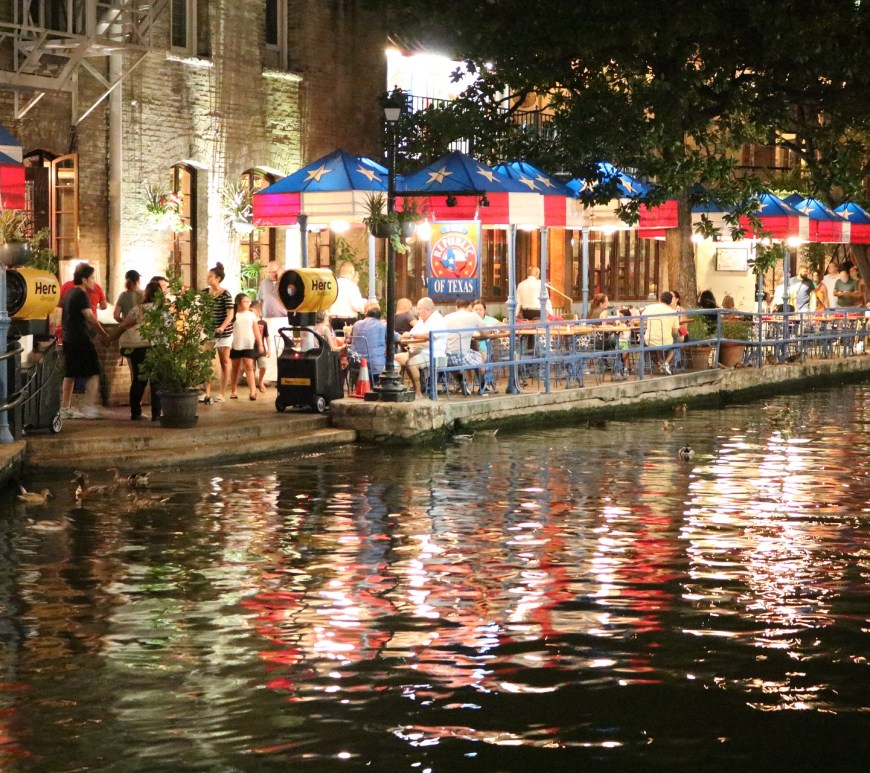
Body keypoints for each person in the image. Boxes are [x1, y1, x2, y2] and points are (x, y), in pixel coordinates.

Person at [60, 263, 108, 419]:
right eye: (92, 278)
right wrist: (103, 333)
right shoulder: (81, 295)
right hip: (81, 338)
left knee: (70, 374)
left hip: (68, 337)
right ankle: (90, 407)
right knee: (94, 371)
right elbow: (90, 316)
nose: (94, 281)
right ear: (84, 279)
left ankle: (65, 407)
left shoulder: (68, 293)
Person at [110, 281, 162, 421]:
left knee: (139, 379)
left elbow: (124, 326)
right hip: (157, 347)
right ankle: (157, 414)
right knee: (156, 381)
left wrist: (110, 338)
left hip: (138, 348)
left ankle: (135, 412)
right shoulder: (163, 310)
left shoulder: (137, 310)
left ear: (146, 294)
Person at [395, 297, 447, 397]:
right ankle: (397, 388)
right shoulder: (421, 321)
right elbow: (412, 333)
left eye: (419, 309)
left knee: (411, 363)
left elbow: (428, 335)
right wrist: (408, 336)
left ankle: (418, 392)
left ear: (428, 310)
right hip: (418, 351)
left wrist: (411, 335)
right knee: (395, 358)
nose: (417, 311)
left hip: (433, 353)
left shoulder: (438, 320)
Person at [202, 262, 234, 404]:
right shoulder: (204, 293)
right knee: (207, 361)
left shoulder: (226, 294)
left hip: (223, 334)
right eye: (208, 276)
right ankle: (207, 392)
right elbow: (201, 311)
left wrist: (222, 327)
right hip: (208, 332)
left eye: (211, 277)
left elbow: (230, 314)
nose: (208, 279)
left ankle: (222, 393)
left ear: (218, 279)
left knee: (224, 362)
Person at [443, 299, 486, 393]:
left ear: (456, 307)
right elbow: (486, 333)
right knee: (480, 356)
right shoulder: (473, 316)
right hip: (462, 357)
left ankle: (461, 381)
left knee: (457, 362)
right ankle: (483, 385)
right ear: (470, 307)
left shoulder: (446, 317)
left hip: (446, 358)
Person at [229, 293, 265, 401]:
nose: (248, 303)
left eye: (249, 302)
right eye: (246, 301)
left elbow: (256, 330)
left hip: (248, 344)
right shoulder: (233, 314)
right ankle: (234, 390)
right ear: (239, 303)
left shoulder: (251, 315)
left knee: (249, 366)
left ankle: (253, 391)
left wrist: (260, 344)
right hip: (235, 344)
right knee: (235, 368)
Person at [256, 261, 286, 385]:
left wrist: (280, 280)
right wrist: (259, 316)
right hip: (268, 319)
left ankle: (280, 376)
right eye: (269, 272)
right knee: (268, 348)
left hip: (282, 319)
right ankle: (266, 376)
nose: (271, 274)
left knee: (280, 348)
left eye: (274, 272)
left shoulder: (285, 283)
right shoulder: (264, 283)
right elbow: (260, 300)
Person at [349, 301, 389, 383]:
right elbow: (396, 338)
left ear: (366, 313)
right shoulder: (382, 325)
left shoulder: (356, 324)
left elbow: (350, 340)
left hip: (356, 364)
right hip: (375, 365)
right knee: (395, 364)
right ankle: (389, 386)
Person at [641, 291, 679, 375]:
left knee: (648, 347)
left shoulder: (650, 308)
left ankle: (660, 364)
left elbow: (640, 319)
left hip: (650, 340)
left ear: (659, 299)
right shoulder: (673, 312)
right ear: (670, 301)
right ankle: (666, 363)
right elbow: (675, 332)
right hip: (666, 341)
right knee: (675, 342)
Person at [329, 260, 366, 331]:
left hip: (334, 320)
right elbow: (356, 305)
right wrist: (364, 307)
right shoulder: (352, 285)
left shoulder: (333, 284)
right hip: (348, 320)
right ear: (352, 272)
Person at [250, 300, 270, 393]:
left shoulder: (263, 323)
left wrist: (269, 348)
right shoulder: (249, 322)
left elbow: (267, 336)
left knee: (263, 366)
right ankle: (253, 385)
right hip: (250, 349)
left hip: (260, 349)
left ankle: (260, 382)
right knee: (252, 369)